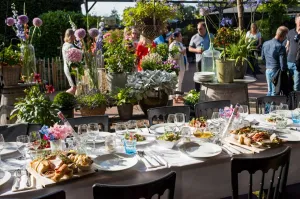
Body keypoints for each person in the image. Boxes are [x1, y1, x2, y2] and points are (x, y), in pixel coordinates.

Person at [262, 26, 289, 96]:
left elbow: (262, 57)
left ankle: (267, 106)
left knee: (269, 91)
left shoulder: (265, 43)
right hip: (276, 70)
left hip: (268, 69)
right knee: (275, 92)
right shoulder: (280, 46)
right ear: (282, 36)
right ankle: (273, 107)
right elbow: (283, 64)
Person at [189, 21, 213, 91]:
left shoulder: (210, 36)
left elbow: (216, 46)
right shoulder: (194, 37)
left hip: (209, 60)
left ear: (205, 28)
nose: (199, 30)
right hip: (199, 60)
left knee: (209, 76)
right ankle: (197, 92)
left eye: (200, 29)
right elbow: (189, 48)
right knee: (199, 76)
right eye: (198, 29)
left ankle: (209, 91)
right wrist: (196, 50)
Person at [169, 32, 189, 102]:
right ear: (176, 37)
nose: (181, 37)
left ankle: (178, 95)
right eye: (180, 36)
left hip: (182, 65)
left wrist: (183, 52)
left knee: (180, 81)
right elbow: (173, 56)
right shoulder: (172, 45)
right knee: (175, 81)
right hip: (176, 65)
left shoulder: (180, 44)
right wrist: (181, 52)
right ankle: (174, 96)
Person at [286, 13, 300, 91]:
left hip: (299, 62)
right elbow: (287, 46)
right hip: (289, 62)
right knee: (289, 83)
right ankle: (290, 101)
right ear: (296, 21)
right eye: (299, 20)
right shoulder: (290, 32)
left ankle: (297, 102)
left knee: (296, 86)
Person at [62, 29, 77, 95]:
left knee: (73, 86)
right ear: (71, 36)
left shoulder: (65, 44)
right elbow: (74, 59)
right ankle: (64, 96)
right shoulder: (70, 46)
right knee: (74, 87)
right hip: (71, 68)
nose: (75, 37)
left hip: (66, 67)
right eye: (74, 35)